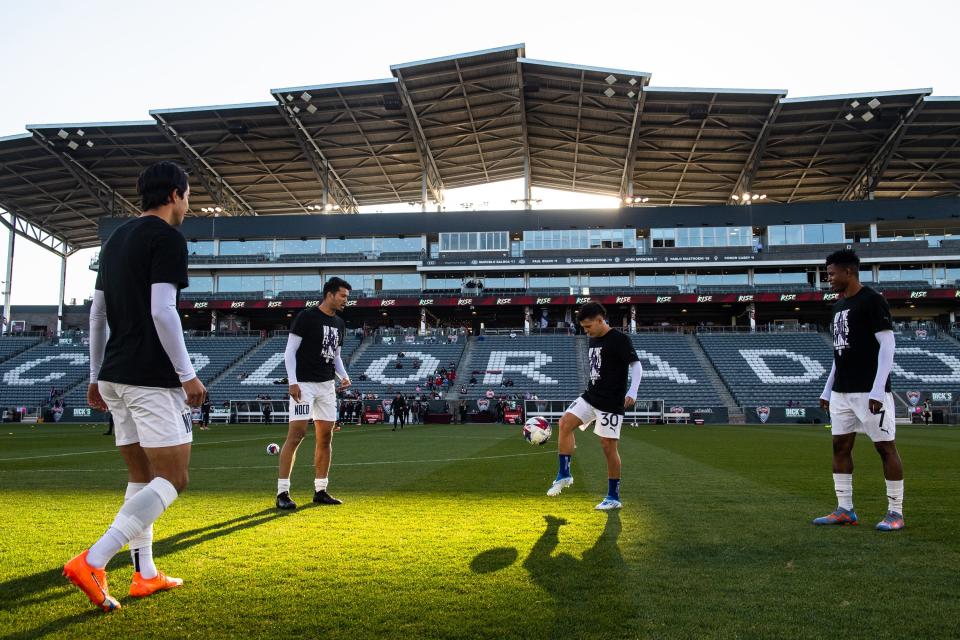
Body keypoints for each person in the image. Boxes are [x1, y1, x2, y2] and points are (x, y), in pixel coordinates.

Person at [65, 161, 205, 612]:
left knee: (140, 476)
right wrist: (187, 373)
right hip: (151, 377)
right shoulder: (167, 238)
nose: (188, 203)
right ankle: (95, 558)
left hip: (115, 375)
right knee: (173, 478)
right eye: (188, 195)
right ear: (175, 194)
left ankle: (145, 574)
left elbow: (98, 314)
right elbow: (163, 310)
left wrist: (93, 376)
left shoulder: (115, 239)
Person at [817, 249, 904, 531]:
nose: (827, 279)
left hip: (869, 391)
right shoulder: (839, 306)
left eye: (831, 274)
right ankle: (844, 509)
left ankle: (895, 512)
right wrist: (828, 390)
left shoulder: (872, 301)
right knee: (840, 446)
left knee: (884, 448)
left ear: (849, 272)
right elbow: (839, 353)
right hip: (843, 392)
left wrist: (878, 391)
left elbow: (888, 345)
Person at [547, 302, 641, 511]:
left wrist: (632, 391)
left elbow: (636, 365)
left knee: (608, 447)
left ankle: (613, 497)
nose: (586, 331)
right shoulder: (593, 340)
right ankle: (564, 474)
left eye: (589, 327)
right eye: (584, 328)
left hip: (611, 402)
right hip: (591, 396)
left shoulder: (620, 339)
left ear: (600, 320)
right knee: (564, 423)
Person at [275, 277, 351, 510]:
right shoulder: (306, 317)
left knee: (326, 437)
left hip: (326, 385)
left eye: (347, 297)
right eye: (343, 296)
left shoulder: (340, 323)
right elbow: (290, 352)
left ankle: (321, 490)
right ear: (329, 294)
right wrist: (293, 381)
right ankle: (282, 492)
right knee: (296, 435)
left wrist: (344, 376)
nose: (345, 301)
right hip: (304, 385)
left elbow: (335, 355)